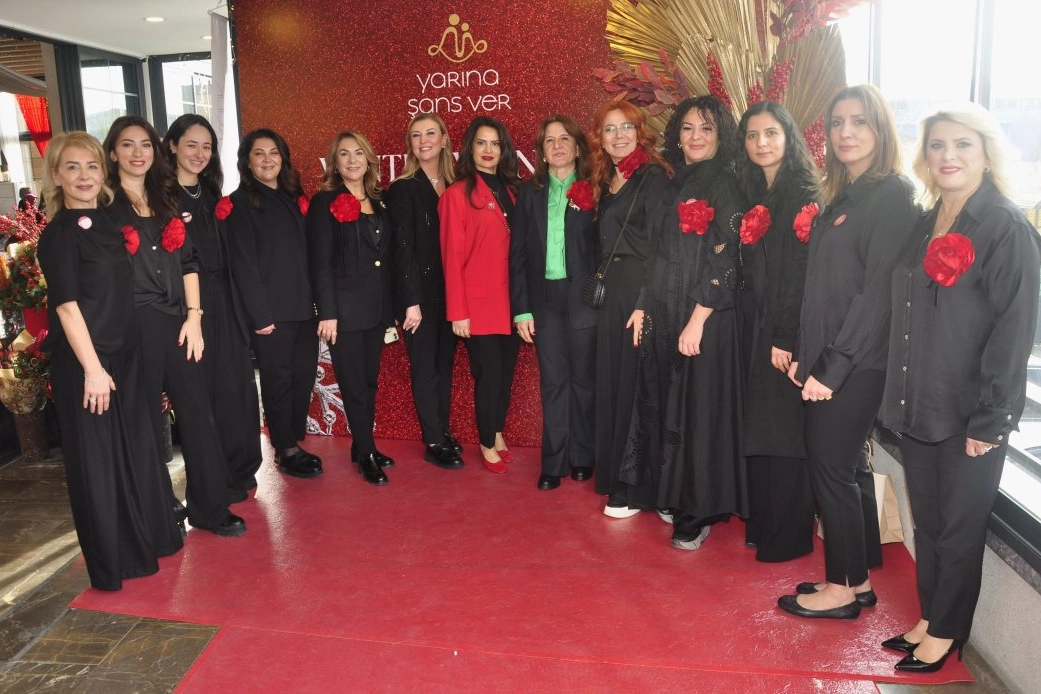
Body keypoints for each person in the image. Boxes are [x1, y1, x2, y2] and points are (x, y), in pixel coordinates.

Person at [879, 105, 1040, 671]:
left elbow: (1014, 330)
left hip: (971, 410)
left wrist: (991, 419)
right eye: (937, 145)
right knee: (929, 524)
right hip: (919, 402)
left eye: (962, 144)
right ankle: (931, 617)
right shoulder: (930, 218)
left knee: (958, 528)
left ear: (986, 153)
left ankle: (947, 631)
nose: (948, 155)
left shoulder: (1005, 225)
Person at [778, 84, 919, 619]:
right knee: (839, 469)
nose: (846, 132)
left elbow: (878, 293)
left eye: (859, 122)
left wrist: (832, 367)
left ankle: (840, 590)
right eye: (837, 123)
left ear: (880, 129)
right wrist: (804, 352)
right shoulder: (846, 195)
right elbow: (822, 288)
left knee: (832, 471)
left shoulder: (893, 195)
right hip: (831, 356)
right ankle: (855, 580)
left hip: (857, 362)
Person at [37, 131, 183, 589]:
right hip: (89, 365)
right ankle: (115, 563)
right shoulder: (59, 234)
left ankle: (147, 542)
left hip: (125, 358)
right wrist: (94, 370)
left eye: (92, 166)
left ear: (104, 172)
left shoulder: (107, 220)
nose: (84, 176)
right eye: (72, 167)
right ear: (56, 175)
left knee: (135, 453)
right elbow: (67, 308)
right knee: (99, 465)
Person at [102, 115, 245, 538]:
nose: (138, 153)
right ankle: (158, 511)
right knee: (144, 424)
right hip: (132, 327)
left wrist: (195, 317)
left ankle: (209, 509)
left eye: (145, 144)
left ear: (155, 150)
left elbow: (189, 261)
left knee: (198, 415)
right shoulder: (106, 207)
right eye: (128, 145)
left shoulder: (164, 199)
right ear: (113, 153)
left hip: (179, 322)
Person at [637, 95, 746, 549]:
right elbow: (657, 252)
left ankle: (700, 509)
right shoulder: (675, 179)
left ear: (721, 135)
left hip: (706, 317)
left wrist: (698, 318)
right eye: (687, 128)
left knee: (701, 412)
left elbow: (728, 260)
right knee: (675, 406)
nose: (696, 136)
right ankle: (677, 493)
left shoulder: (725, 182)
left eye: (706, 128)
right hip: (669, 311)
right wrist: (645, 304)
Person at [307, 130, 422, 485]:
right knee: (354, 384)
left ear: (369, 159)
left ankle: (362, 445)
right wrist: (327, 312)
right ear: (335, 162)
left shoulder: (379, 200)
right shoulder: (324, 202)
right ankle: (367, 454)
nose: (353, 160)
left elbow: (390, 258)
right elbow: (319, 263)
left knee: (369, 381)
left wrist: (401, 304)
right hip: (343, 313)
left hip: (377, 309)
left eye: (359, 153)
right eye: (344, 154)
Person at [734, 101, 819, 562]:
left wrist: (785, 337)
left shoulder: (803, 193)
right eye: (752, 135)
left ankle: (787, 538)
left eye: (770, 133)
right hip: (756, 324)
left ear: (789, 137)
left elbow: (801, 275)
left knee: (784, 429)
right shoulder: (756, 190)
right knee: (762, 426)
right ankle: (763, 525)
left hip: (786, 329)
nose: (761, 143)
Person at [162, 114, 262, 497]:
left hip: (225, 300)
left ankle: (240, 468)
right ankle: (211, 481)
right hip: (188, 305)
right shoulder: (161, 195)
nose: (200, 153)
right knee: (201, 393)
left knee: (236, 386)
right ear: (173, 145)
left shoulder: (211, 191)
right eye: (192, 144)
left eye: (207, 146)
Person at [587, 100, 670, 517]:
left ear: (640, 132)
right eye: (609, 129)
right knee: (615, 385)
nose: (618, 135)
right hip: (612, 297)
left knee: (637, 388)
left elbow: (661, 247)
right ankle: (614, 476)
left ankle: (636, 488)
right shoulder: (608, 179)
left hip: (640, 295)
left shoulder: (652, 178)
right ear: (599, 138)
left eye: (626, 127)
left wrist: (645, 303)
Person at [224, 129, 321, 479]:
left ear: (283, 158)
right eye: (259, 154)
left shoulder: (294, 197)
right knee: (278, 382)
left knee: (302, 377)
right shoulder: (239, 204)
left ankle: (291, 439)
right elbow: (243, 264)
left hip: (305, 309)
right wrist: (260, 315)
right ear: (247, 162)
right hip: (271, 314)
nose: (268, 160)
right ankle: (286, 448)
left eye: (274, 153)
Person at [510, 115, 598, 490]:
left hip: (585, 298)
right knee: (554, 381)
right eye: (550, 141)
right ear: (541, 152)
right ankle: (554, 460)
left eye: (564, 139)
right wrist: (521, 309)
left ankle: (583, 456)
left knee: (584, 382)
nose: (558, 146)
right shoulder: (529, 193)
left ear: (577, 147)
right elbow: (517, 255)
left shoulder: (596, 188)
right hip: (544, 299)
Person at [439, 116, 520, 473]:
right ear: (469, 148)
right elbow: (451, 257)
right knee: (489, 376)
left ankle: (497, 432)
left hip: (512, 302)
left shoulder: (513, 191)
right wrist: (458, 311)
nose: (488, 150)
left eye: (495, 144)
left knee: (506, 373)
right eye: (481, 143)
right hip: (478, 305)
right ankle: (487, 442)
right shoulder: (456, 195)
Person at [385, 114, 464, 470]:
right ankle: (433, 440)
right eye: (416, 135)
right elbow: (401, 248)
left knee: (443, 365)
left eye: (431, 133)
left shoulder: (457, 184)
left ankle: (441, 430)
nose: (424, 140)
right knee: (425, 368)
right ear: (410, 145)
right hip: (419, 297)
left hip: (453, 295)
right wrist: (411, 302)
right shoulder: (403, 188)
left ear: (444, 139)